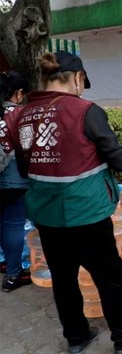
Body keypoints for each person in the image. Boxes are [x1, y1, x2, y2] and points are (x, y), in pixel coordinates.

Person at [0, 52, 122, 354]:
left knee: (63, 279)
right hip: (86, 212)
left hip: (45, 214)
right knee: (110, 279)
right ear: (76, 78)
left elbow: (24, 167)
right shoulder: (85, 110)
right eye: (82, 82)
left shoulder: (22, 115)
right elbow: (119, 159)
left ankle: (76, 338)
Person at [1, 70, 31, 293]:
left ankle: (5, 262)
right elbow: (27, 146)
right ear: (19, 93)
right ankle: (13, 274)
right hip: (12, 179)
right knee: (13, 224)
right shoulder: (19, 114)